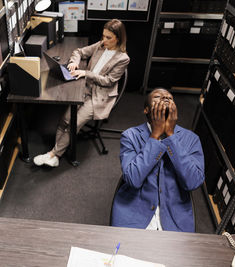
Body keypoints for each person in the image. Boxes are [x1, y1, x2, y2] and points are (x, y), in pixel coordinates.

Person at [33, 19, 130, 167]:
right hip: (84, 88)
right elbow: (79, 52)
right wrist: (74, 62)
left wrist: (86, 73)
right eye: (103, 36)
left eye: (108, 37)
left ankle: (53, 153)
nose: (104, 40)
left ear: (119, 38)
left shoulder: (123, 58)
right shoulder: (100, 45)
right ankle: (56, 155)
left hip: (100, 95)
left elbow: (109, 81)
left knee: (74, 124)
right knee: (64, 120)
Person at [111, 88, 205, 232]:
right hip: (133, 216)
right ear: (146, 110)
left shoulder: (191, 139)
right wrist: (155, 135)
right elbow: (133, 179)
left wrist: (170, 136)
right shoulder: (130, 136)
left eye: (170, 98)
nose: (165, 99)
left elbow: (193, 182)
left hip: (175, 220)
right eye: (158, 97)